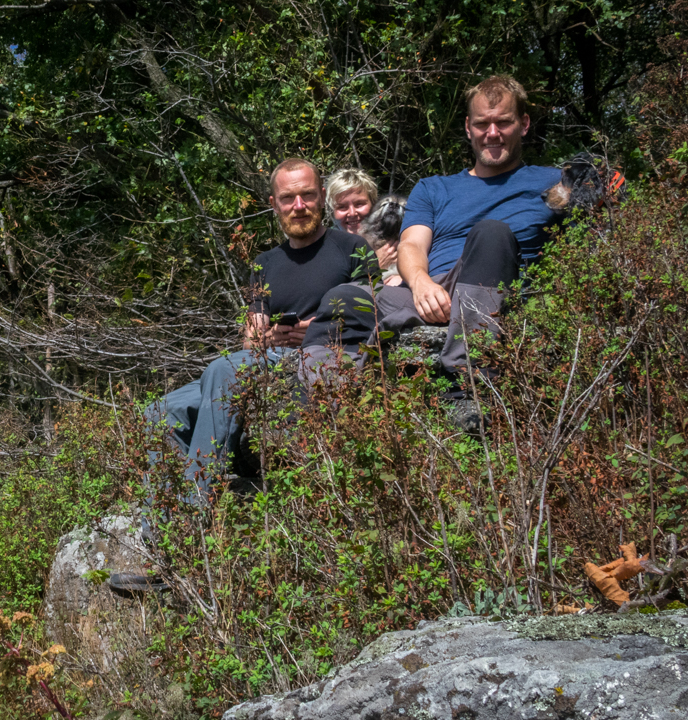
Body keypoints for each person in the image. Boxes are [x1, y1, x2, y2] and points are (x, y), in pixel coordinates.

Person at [113, 160, 378, 594]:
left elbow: (368, 311)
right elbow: (252, 340)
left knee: (222, 368)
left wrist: (309, 327)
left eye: (307, 195)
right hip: (268, 361)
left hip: (316, 364)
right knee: (159, 411)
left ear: (320, 197)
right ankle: (164, 545)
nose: (298, 205)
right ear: (273, 204)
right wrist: (272, 333)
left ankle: (187, 550)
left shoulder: (351, 248)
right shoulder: (265, 263)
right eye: (288, 198)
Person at [377, 75, 561, 400]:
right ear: (467, 127)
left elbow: (611, 193)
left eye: (503, 122)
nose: (492, 133)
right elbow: (411, 245)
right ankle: (315, 414)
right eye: (482, 124)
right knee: (346, 297)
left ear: (524, 123)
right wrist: (420, 284)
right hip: (432, 293)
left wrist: (604, 180)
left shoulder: (554, 182)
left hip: (498, 293)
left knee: (491, 233)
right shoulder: (434, 188)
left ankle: (468, 381)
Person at [326, 168, 402, 285]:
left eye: (359, 204)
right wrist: (375, 264)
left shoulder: (394, 241)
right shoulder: (327, 249)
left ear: (374, 205)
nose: (352, 213)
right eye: (342, 207)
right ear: (332, 213)